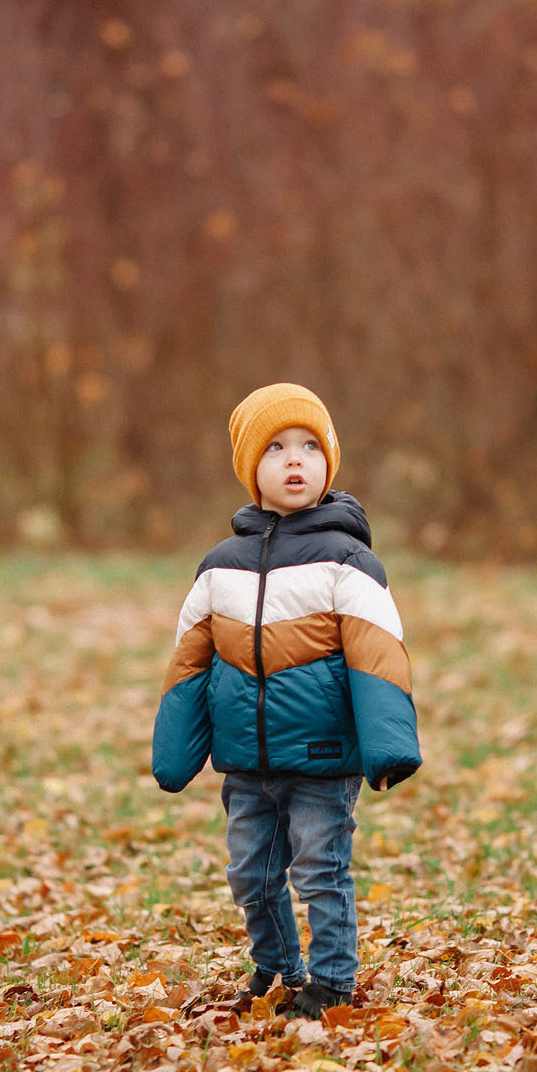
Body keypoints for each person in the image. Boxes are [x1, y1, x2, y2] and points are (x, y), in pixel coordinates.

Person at [151, 383, 422, 1020]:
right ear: (252, 471)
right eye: (275, 449)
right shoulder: (220, 567)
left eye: (308, 446)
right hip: (247, 760)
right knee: (251, 873)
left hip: (323, 759)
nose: (294, 460)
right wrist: (174, 748)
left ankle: (331, 981)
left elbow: (377, 652)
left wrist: (388, 745)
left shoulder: (347, 560)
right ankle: (277, 966)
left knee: (321, 871)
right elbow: (190, 658)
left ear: (329, 459)